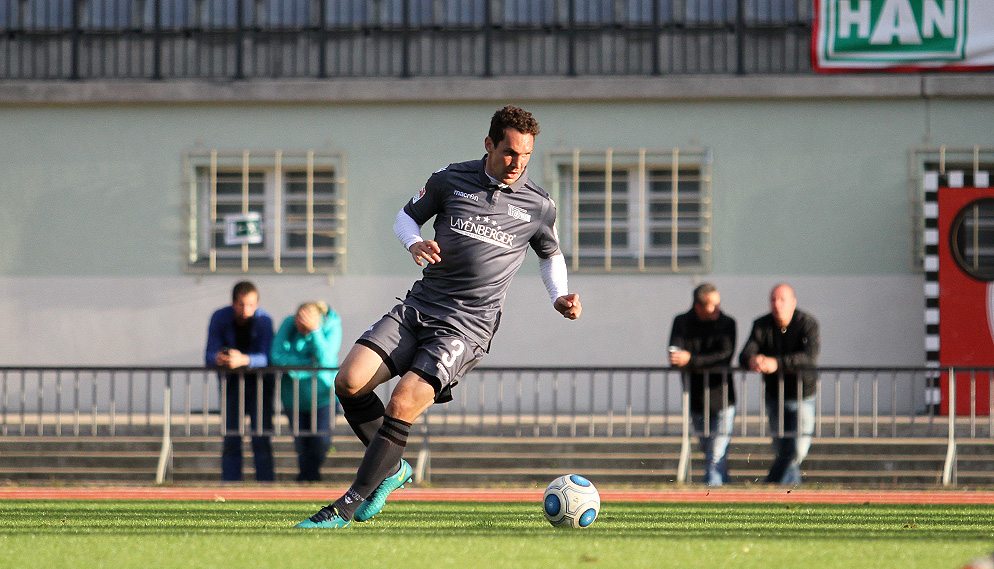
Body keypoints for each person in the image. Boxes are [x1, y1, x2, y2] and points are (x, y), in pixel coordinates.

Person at [296, 105, 582, 528]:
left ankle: (346, 505)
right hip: (420, 306)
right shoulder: (451, 179)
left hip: (466, 326)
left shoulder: (538, 204)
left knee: (401, 402)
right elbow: (405, 217)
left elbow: (550, 254)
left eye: (525, 155)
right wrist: (413, 243)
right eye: (508, 152)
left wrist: (558, 296)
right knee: (349, 382)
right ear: (489, 144)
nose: (516, 163)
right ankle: (392, 469)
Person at [738, 283, 820, 486]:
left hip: (803, 394)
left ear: (793, 302)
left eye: (782, 299)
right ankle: (791, 489)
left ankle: (770, 484)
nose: (777, 304)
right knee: (782, 447)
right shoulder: (761, 325)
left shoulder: (808, 323)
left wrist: (776, 363)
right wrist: (754, 361)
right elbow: (745, 355)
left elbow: (809, 357)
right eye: (773, 299)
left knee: (797, 449)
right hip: (775, 395)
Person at [204, 281, 276, 482]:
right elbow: (209, 354)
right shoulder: (220, 317)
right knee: (231, 438)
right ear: (233, 303)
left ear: (257, 304)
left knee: (261, 438)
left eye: (251, 305)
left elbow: (267, 357)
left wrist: (243, 360)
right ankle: (230, 484)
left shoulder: (264, 320)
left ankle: (265, 486)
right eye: (242, 304)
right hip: (231, 385)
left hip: (260, 386)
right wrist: (220, 358)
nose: (246, 310)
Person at [668, 283, 737, 486]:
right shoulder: (682, 322)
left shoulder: (727, 323)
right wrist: (685, 360)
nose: (717, 309)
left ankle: (712, 489)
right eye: (710, 305)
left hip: (723, 396)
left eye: (718, 304)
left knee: (716, 453)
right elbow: (675, 356)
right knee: (710, 451)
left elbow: (724, 356)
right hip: (696, 398)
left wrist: (691, 360)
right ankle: (723, 487)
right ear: (698, 306)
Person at [271, 301, 343, 482]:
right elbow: (277, 356)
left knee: (321, 441)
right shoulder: (289, 323)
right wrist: (309, 364)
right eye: (300, 326)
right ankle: (308, 480)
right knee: (301, 444)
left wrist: (316, 332)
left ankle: (308, 478)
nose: (302, 330)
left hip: (323, 397)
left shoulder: (332, 325)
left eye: (306, 327)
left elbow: (326, 360)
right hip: (293, 397)